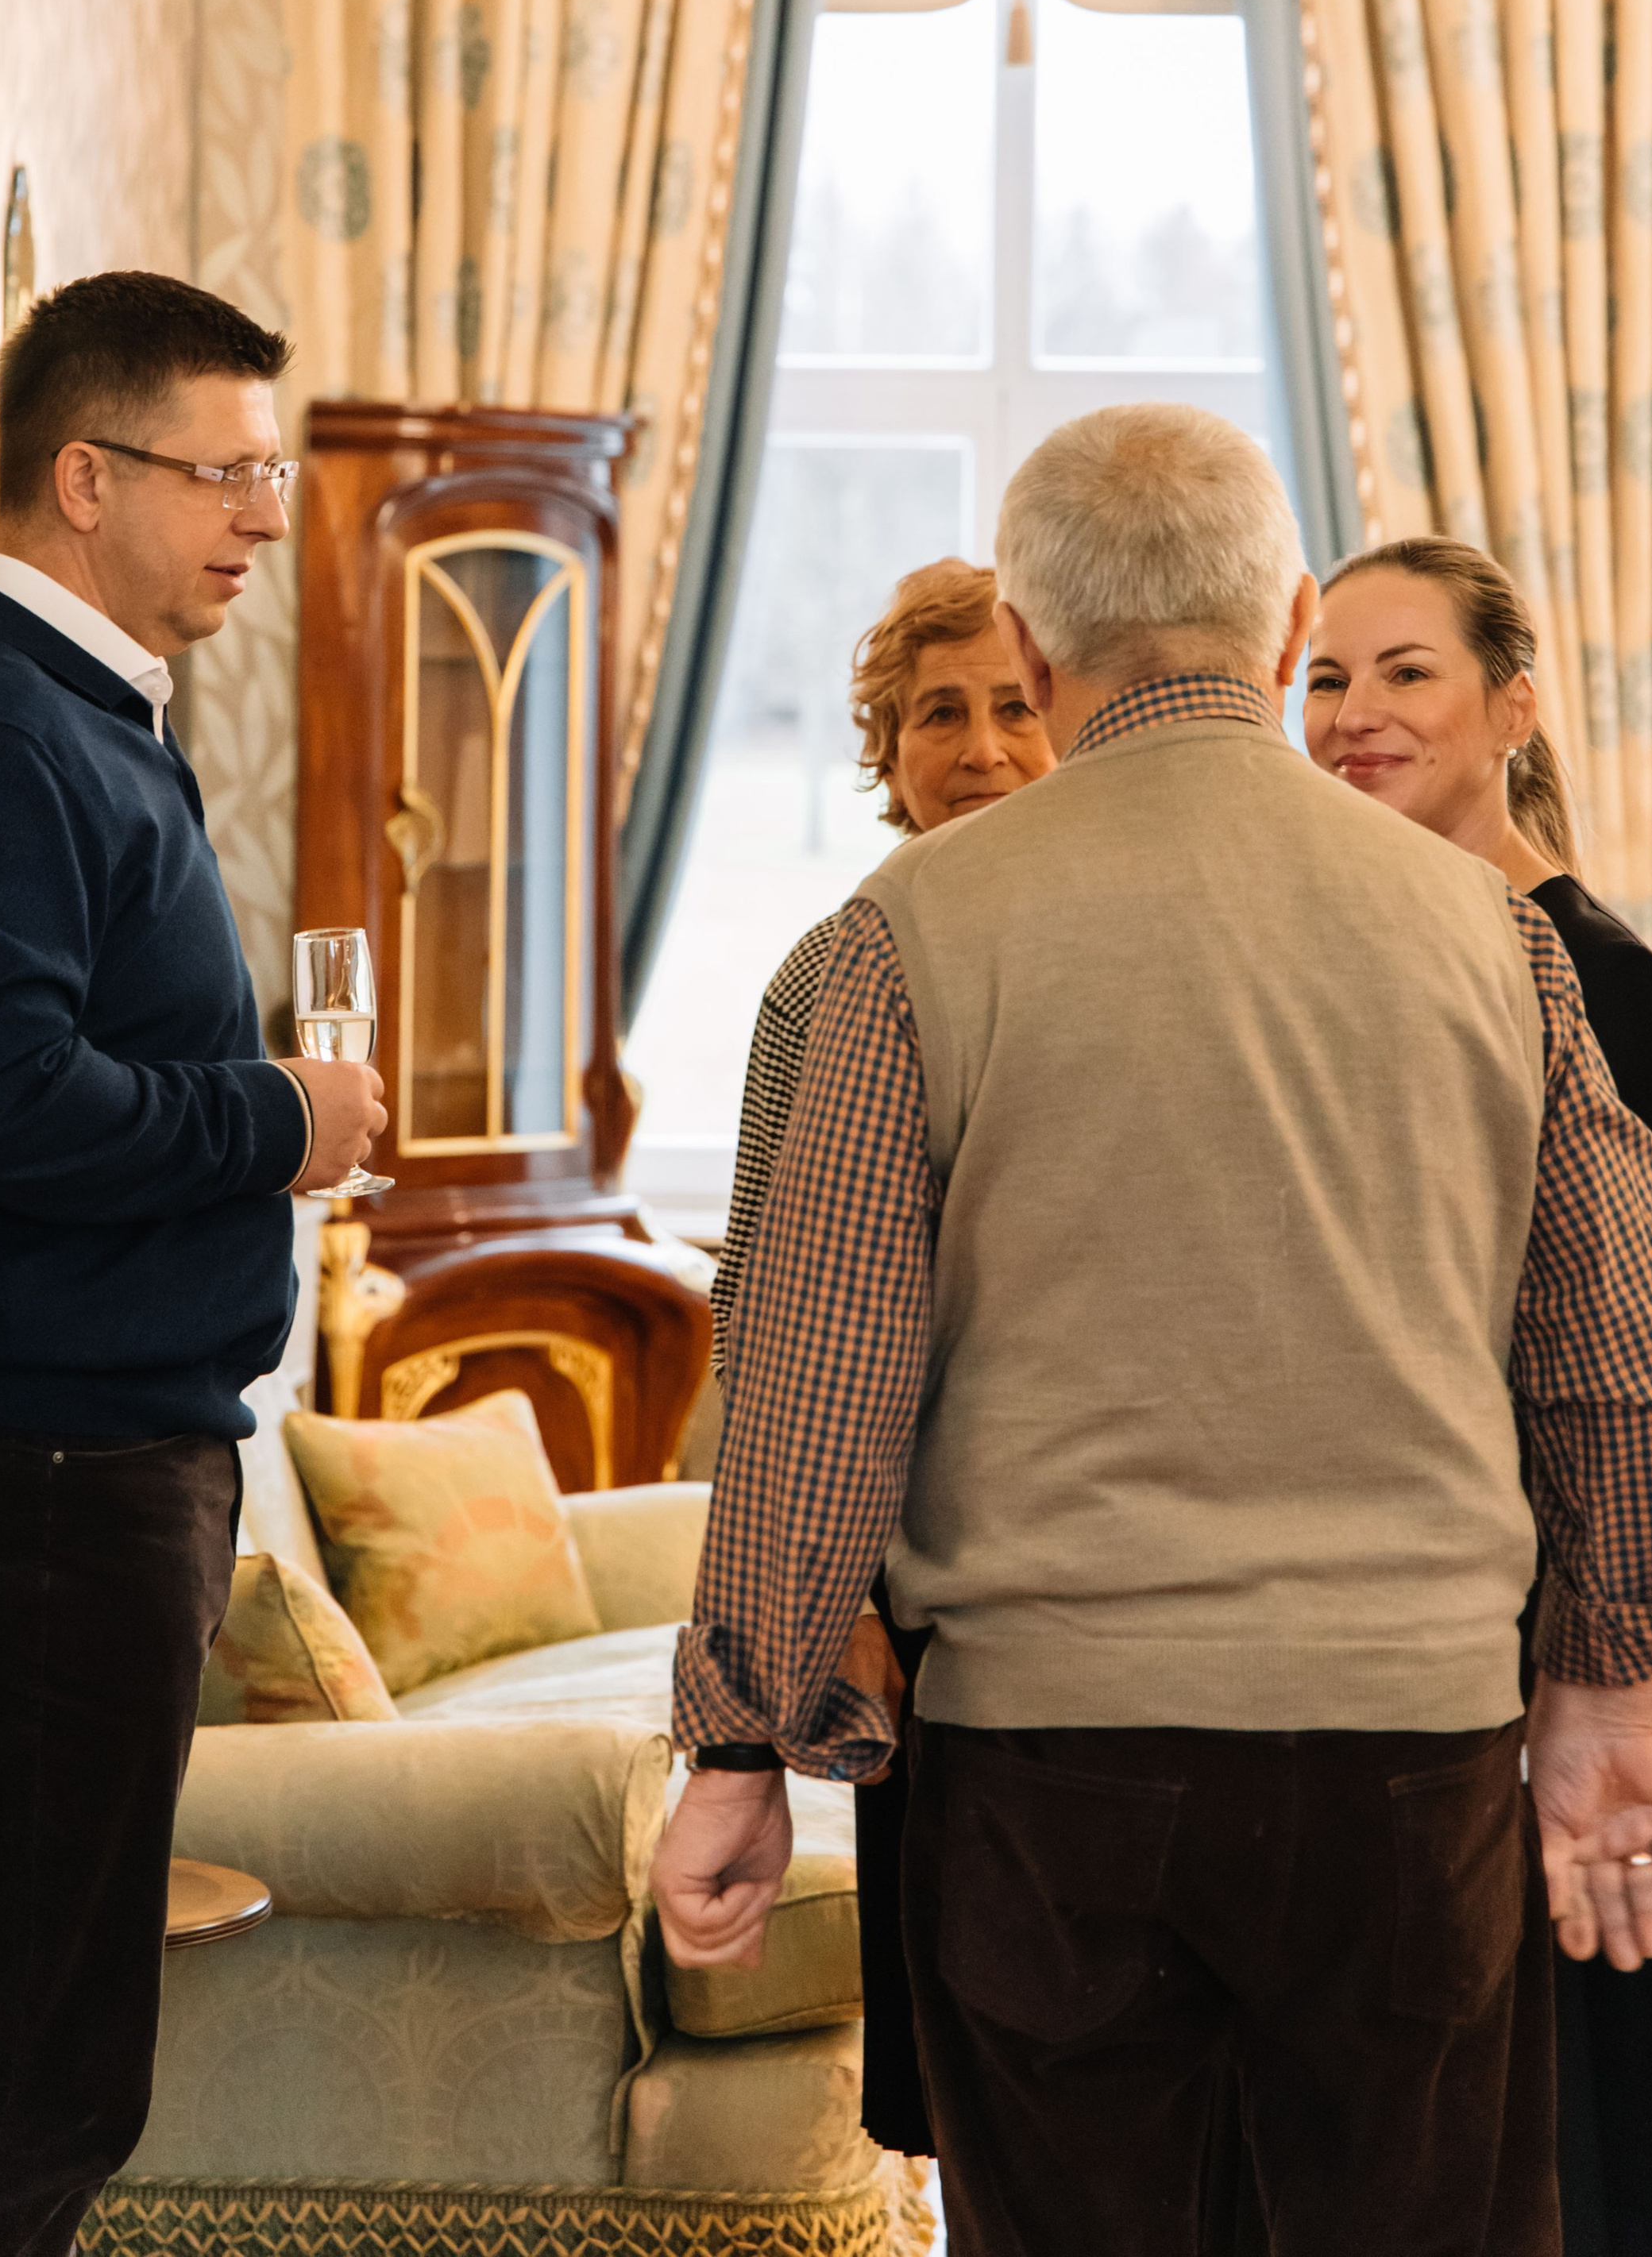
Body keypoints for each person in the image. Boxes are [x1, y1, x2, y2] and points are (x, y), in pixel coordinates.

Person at [653, 403, 1652, 2257]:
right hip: (1414, 1755)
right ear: (1288, 611)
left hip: (1053, 1770)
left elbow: (810, 1387)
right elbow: (1625, 1361)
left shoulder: (890, 940)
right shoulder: (1495, 936)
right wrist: (1606, 1694)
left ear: (1038, 648)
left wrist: (737, 1748)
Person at [0, 270, 387, 2257]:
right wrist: (283, 1120)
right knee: (17, 2076)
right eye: (227, 475)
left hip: (40, 1475)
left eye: (266, 472)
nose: (268, 518)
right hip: (22, 1488)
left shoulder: (49, 713)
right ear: (80, 475)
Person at [1303, 536, 1652, 2257]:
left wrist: (1585, 1678)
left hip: (1574, 1646)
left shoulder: (1582, 973)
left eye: (1401, 672)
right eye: (1325, 678)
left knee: (1575, 2139)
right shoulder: (1394, 957)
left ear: (1510, 704)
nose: (1351, 715)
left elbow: (1631, 1368)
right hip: (1423, 1612)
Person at [713, 556, 1057, 2158]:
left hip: (1097, 1565)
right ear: (885, 748)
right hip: (918, 1582)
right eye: (938, 713)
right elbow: (766, 1314)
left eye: (1011, 705)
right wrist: (828, 1593)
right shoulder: (825, 982)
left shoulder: (1124, 950)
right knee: (971, 2045)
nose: (979, 745)